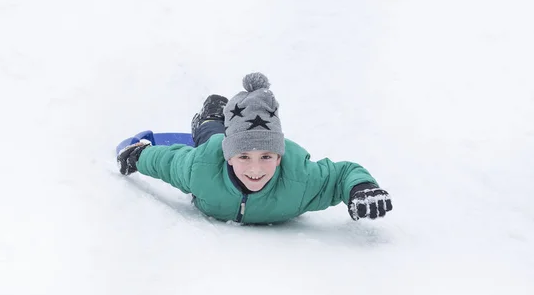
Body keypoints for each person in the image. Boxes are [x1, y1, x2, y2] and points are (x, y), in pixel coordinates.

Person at [117, 72, 392, 224]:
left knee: (218, 137)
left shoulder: (300, 179)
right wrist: (140, 155)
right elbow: (168, 161)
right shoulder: (201, 167)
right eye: (244, 156)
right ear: (229, 156)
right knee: (211, 134)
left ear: (279, 156)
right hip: (214, 145)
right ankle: (213, 115)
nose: (255, 168)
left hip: (231, 150)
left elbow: (343, 174)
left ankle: (219, 121)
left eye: (267, 156)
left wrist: (361, 188)